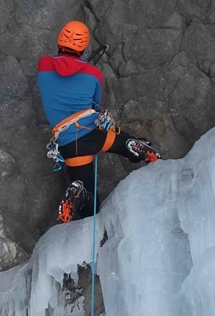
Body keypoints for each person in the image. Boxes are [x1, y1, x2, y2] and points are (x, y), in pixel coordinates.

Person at [37, 21, 159, 222]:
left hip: (71, 143)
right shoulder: (93, 74)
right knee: (122, 142)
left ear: (60, 39)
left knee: (89, 204)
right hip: (94, 133)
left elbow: (62, 69)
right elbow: (96, 106)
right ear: (83, 46)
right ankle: (133, 146)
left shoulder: (44, 64)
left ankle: (79, 193)